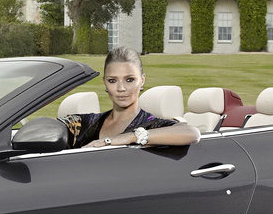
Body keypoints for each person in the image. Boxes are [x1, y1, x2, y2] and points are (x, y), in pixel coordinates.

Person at [63, 46, 201, 149]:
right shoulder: (86, 123)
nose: (121, 88)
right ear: (105, 82)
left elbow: (192, 132)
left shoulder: (152, 125)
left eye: (129, 80)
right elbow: (46, 127)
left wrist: (128, 137)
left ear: (142, 81)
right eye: (112, 80)